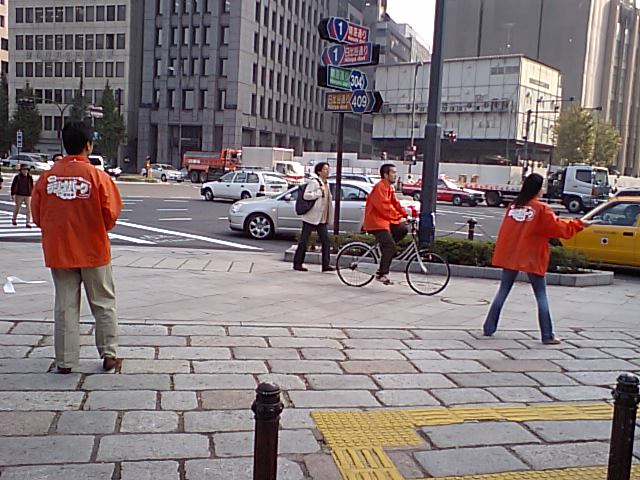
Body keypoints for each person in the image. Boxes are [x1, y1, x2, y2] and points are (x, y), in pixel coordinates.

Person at [31, 122, 123, 374]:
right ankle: (109, 353)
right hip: (94, 249)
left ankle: (65, 360)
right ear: (88, 145)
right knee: (103, 302)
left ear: (64, 145)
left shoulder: (47, 178)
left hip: (60, 250)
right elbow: (110, 214)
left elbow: (37, 215)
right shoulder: (97, 176)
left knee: (65, 306)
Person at [483, 173, 586, 345]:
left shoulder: (513, 206)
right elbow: (558, 228)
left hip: (511, 254)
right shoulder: (541, 209)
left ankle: (489, 327)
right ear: (538, 189)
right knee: (541, 295)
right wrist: (578, 224)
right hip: (532, 255)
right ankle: (547, 335)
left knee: (503, 290)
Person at [362, 164, 408, 285]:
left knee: (403, 229)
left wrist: (405, 215)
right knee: (390, 246)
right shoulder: (380, 187)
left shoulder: (389, 188)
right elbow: (384, 207)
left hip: (384, 221)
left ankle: (385, 249)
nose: (395, 175)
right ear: (385, 175)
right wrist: (398, 217)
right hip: (376, 222)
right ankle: (381, 273)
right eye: (393, 172)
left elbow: (395, 203)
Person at [293, 162, 335, 272]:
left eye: (328, 169)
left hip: (322, 218)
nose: (328, 171)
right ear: (319, 172)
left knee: (326, 241)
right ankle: (298, 263)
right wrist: (319, 192)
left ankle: (326, 265)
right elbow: (306, 196)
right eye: (325, 169)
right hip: (311, 217)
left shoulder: (326, 184)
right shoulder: (314, 183)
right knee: (304, 241)